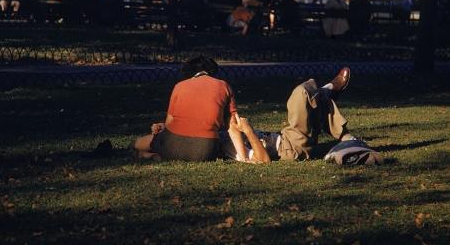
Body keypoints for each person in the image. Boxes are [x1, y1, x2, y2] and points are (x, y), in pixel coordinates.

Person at [222, 68, 355, 163]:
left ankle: (348, 137)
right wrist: (248, 131)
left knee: (313, 100)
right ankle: (328, 90)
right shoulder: (227, 144)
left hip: (288, 140)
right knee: (301, 93)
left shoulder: (229, 130)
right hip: (290, 148)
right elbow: (263, 160)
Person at [130, 56, 238, 162]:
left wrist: (162, 127)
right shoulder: (224, 85)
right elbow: (231, 122)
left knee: (147, 142)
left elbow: (169, 123)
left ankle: (140, 150)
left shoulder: (180, 86)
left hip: (172, 145)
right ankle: (153, 156)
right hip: (206, 150)